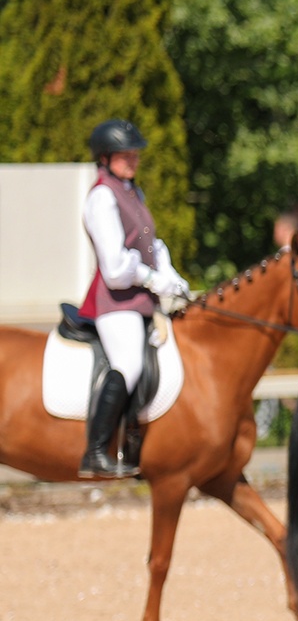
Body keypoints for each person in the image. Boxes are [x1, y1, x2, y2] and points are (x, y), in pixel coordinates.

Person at [76, 118, 191, 479]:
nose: (133, 160)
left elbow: (151, 245)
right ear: (105, 157)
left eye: (135, 153)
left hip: (143, 303)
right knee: (129, 364)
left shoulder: (131, 193)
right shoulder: (102, 197)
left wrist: (172, 278)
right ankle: (95, 451)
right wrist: (154, 280)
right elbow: (114, 267)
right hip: (116, 303)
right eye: (125, 155)